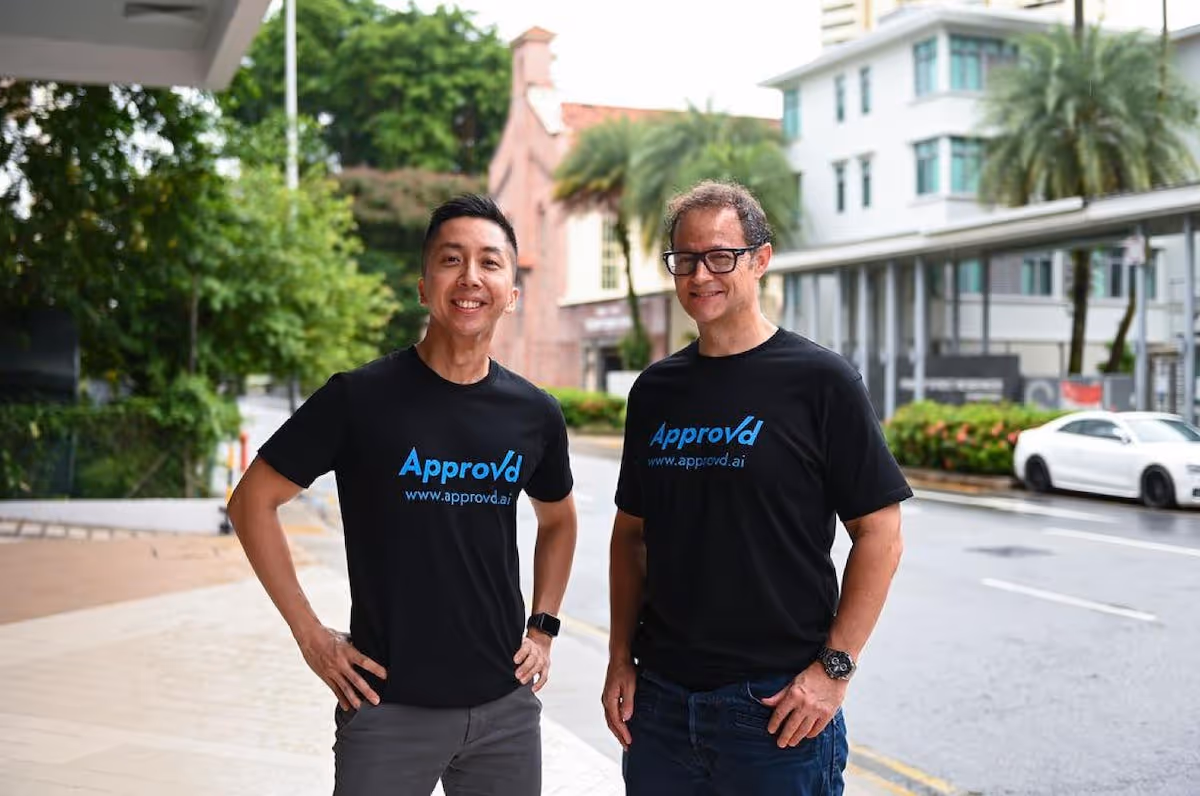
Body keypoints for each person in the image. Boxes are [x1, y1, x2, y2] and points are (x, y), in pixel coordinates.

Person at [229, 194, 578, 796]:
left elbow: (560, 522)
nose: (471, 277)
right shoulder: (358, 399)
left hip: (504, 710)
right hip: (387, 705)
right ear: (424, 286)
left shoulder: (534, 413)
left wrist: (542, 628)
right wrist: (310, 636)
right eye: (451, 259)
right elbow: (250, 502)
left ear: (511, 294)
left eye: (490, 263)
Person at [602, 180, 910, 795]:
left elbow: (880, 535)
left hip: (773, 714)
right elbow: (631, 537)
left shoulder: (820, 381)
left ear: (760, 259)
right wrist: (619, 659)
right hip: (661, 707)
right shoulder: (655, 392)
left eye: (721, 256)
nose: (700, 274)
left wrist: (834, 670)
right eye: (684, 259)